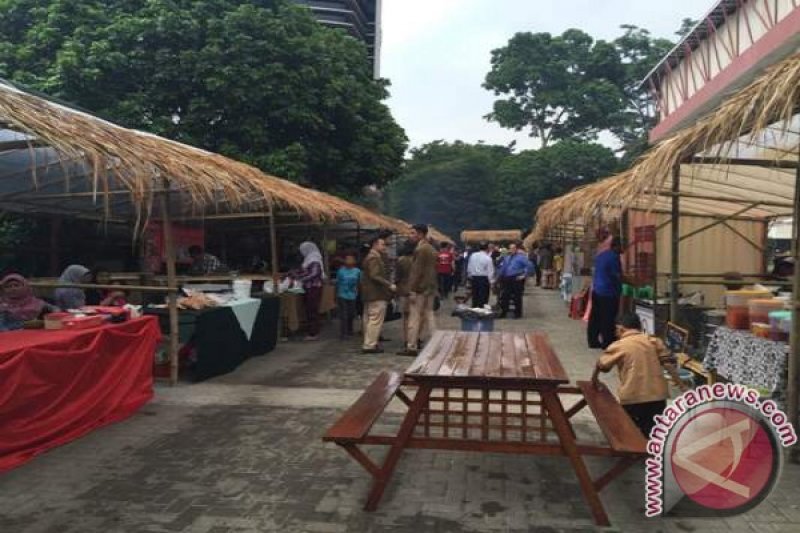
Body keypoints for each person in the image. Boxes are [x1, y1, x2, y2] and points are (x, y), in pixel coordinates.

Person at [592, 313, 687, 437]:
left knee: (629, 431)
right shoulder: (653, 341)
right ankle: (650, 453)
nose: (616, 333)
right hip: (657, 395)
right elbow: (668, 365)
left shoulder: (619, 345)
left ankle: (632, 453)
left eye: (616, 330)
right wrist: (681, 385)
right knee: (652, 431)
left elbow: (601, 365)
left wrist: (594, 379)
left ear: (621, 328)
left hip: (633, 395)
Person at [401, 224, 438, 356]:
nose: (409, 235)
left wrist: (411, 290)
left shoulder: (420, 249)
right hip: (430, 288)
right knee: (429, 315)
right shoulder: (432, 249)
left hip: (420, 289)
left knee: (414, 318)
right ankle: (436, 342)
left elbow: (416, 272)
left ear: (421, 234)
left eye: (412, 233)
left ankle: (411, 346)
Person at [360, 237, 395, 354]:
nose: (384, 247)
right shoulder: (374, 258)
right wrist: (388, 284)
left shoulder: (371, 257)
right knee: (375, 319)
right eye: (382, 244)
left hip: (370, 293)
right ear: (375, 244)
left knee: (369, 319)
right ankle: (370, 344)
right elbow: (375, 275)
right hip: (376, 293)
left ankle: (368, 342)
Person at [588, 237, 624, 349]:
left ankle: (592, 341)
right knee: (608, 318)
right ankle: (607, 342)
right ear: (616, 246)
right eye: (622, 247)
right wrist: (631, 281)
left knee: (595, 317)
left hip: (597, 290)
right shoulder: (614, 257)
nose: (624, 249)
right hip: (608, 293)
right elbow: (617, 276)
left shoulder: (601, 255)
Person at [290, 241, 326, 341]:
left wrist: (299, 278)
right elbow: (305, 271)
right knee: (309, 309)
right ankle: (312, 331)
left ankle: (313, 333)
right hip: (309, 287)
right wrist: (295, 273)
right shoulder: (309, 259)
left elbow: (314, 273)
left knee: (312, 310)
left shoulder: (314, 259)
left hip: (314, 288)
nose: (302, 252)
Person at [496, 242, 532, 319]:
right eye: (510, 248)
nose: (512, 250)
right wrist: (499, 276)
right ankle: (504, 312)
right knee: (505, 296)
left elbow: (529, 266)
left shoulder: (521, 257)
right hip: (507, 279)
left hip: (516, 278)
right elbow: (503, 268)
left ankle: (517, 313)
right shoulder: (507, 257)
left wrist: (524, 275)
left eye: (513, 248)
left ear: (516, 249)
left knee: (517, 297)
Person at [335, 254, 361, 340]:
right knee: (344, 315)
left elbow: (359, 282)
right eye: (347, 259)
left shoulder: (357, 271)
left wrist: (358, 290)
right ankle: (344, 333)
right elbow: (337, 283)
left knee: (351, 314)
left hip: (353, 295)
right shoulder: (341, 271)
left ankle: (350, 330)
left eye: (351, 260)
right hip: (342, 294)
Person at [395, 241, 415, 348]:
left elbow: (397, 277)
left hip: (403, 290)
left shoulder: (400, 261)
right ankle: (414, 338)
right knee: (415, 316)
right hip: (416, 291)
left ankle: (406, 338)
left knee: (405, 317)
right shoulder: (417, 261)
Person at [467, 242, 494, 308]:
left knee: (475, 295)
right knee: (483, 296)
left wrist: (470, 276)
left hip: (474, 278)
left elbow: (469, 267)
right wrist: (491, 282)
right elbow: (490, 271)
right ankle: (482, 310)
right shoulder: (488, 258)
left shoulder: (473, 255)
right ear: (487, 249)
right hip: (483, 279)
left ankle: (474, 308)